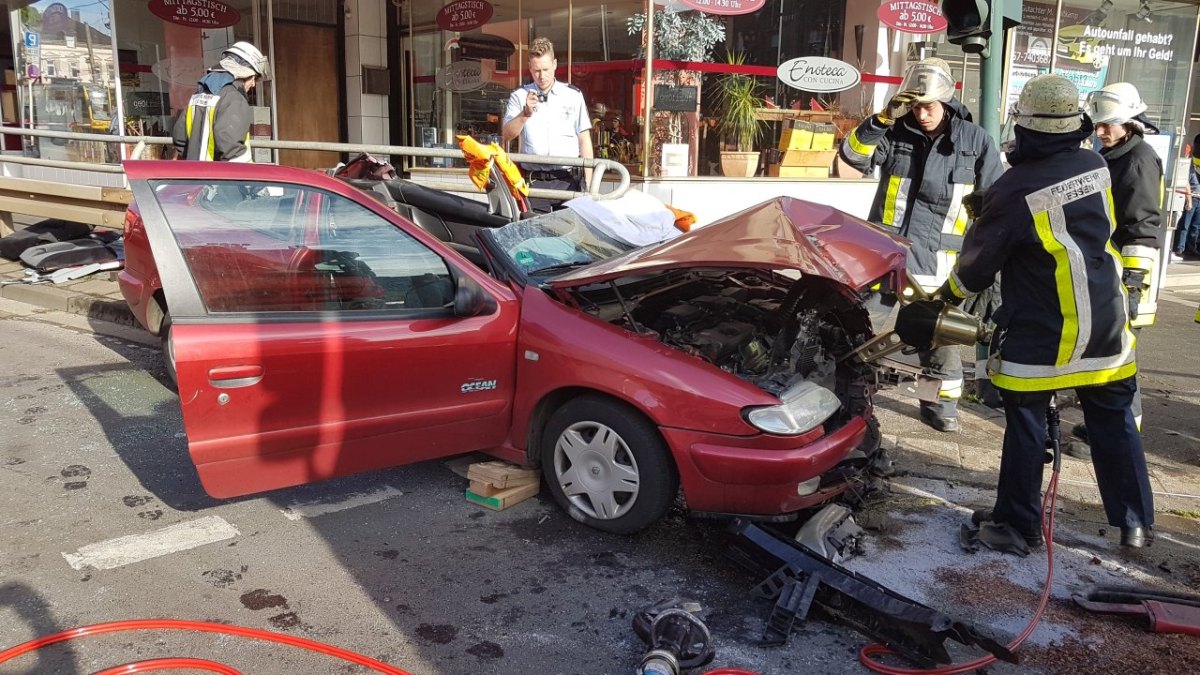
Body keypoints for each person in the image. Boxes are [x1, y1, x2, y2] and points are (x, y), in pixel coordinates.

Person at [936, 74, 1154, 550]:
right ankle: (1134, 523)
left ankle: (1018, 525)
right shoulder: (1094, 163)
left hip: (1043, 329)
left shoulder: (1015, 189)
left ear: (1027, 128)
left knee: (1027, 425)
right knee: (1114, 420)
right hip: (1106, 323)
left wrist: (941, 300)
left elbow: (974, 270)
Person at [840, 57, 1004, 432]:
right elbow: (851, 157)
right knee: (862, 334)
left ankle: (938, 407)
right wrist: (881, 119)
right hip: (887, 260)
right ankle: (849, 401)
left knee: (940, 346)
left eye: (928, 105)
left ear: (945, 101)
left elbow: (994, 202)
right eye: (915, 105)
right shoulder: (894, 132)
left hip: (941, 266)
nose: (922, 113)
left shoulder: (975, 141)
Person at [1067, 82, 1165, 454]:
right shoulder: (1117, 156)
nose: (1101, 131)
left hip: (1128, 277)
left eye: (1110, 125)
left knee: (1119, 360)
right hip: (1113, 273)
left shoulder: (1137, 160)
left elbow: (1142, 226)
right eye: (1099, 124)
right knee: (1107, 355)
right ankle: (1105, 429)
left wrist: (1134, 285)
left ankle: (1119, 438)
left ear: (1131, 122)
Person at [502, 37, 594, 213]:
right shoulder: (519, 95)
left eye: (545, 69)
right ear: (530, 68)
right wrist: (525, 114)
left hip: (567, 178)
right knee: (536, 235)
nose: (541, 76)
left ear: (555, 64)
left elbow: (584, 140)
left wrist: (588, 184)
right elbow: (506, 134)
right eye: (536, 70)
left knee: (568, 235)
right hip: (534, 180)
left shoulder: (573, 95)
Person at [172, 42, 269, 162]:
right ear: (243, 74)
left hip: (194, 175)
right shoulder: (234, 98)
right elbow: (232, 150)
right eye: (253, 78)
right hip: (219, 178)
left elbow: (179, 139)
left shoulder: (199, 94)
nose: (253, 84)